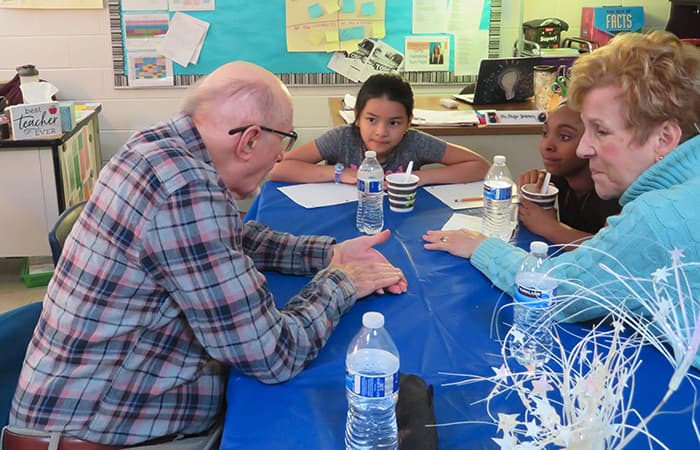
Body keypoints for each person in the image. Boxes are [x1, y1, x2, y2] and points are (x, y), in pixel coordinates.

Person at [6, 61, 407, 449]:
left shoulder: (157, 145)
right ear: (250, 140)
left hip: (85, 407)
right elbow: (274, 354)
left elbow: (229, 237)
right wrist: (343, 281)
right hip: (104, 435)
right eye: (283, 141)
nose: (281, 158)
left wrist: (328, 253)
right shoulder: (183, 190)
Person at [423, 31, 700, 362]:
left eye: (602, 130)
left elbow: (555, 290)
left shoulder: (658, 216)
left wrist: (479, 245)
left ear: (664, 137)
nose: (584, 149)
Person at [268, 73, 489, 186]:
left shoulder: (414, 142)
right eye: (372, 120)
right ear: (357, 116)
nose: (381, 132)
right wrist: (340, 173)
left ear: (408, 122)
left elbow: (480, 167)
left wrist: (420, 178)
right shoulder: (342, 138)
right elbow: (277, 169)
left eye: (394, 123)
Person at [518, 103, 621, 250]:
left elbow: (610, 251)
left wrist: (551, 228)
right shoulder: (561, 179)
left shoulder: (615, 193)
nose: (548, 145)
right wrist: (537, 184)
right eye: (545, 133)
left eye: (564, 137)